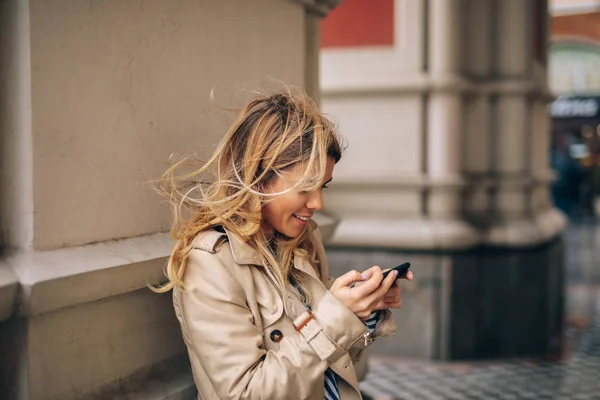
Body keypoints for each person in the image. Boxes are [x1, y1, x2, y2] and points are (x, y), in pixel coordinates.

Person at [154, 90, 413, 400]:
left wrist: (363, 310)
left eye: (322, 187)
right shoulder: (211, 262)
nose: (317, 202)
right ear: (259, 177)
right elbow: (246, 394)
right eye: (305, 188)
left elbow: (335, 366)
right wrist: (336, 318)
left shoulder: (303, 242)